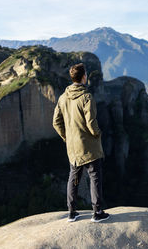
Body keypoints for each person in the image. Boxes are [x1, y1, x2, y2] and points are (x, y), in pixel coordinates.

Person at [53, 63, 110, 223]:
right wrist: (98, 133)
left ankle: (72, 212)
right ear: (84, 77)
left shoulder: (63, 97)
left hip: (73, 147)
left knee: (73, 178)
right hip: (89, 147)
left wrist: (67, 137)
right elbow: (91, 122)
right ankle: (97, 212)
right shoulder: (87, 97)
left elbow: (56, 122)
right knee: (95, 177)